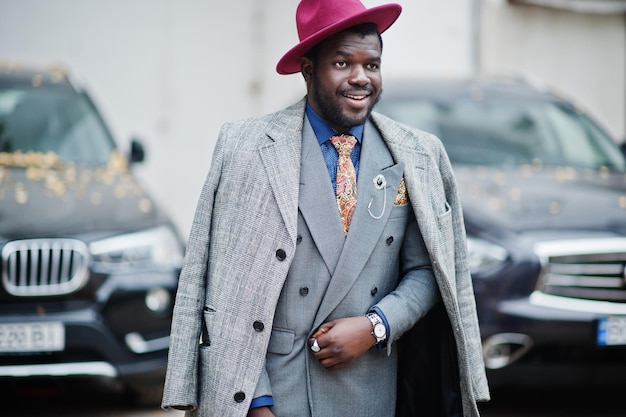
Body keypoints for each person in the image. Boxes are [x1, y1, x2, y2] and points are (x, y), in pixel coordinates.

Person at [161, 0, 490, 416]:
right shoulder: (246, 148)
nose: (360, 78)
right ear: (308, 69)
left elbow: (432, 271)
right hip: (274, 393)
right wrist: (255, 402)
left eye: (371, 65)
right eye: (341, 62)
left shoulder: (419, 155)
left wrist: (376, 325)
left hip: (372, 391)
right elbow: (224, 289)